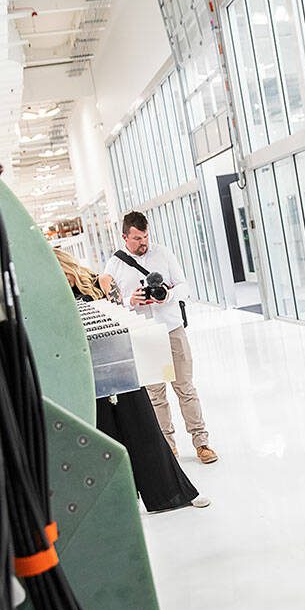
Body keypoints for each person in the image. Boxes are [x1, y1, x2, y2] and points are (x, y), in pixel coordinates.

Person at [54, 247, 210, 512]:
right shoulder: (53, 297)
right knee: (105, 437)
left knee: (144, 427)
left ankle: (172, 493)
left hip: (120, 366)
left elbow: (120, 317)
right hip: (86, 374)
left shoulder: (100, 282)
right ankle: (118, 502)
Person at [100, 211, 218, 464]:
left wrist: (168, 295)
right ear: (124, 237)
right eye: (137, 239)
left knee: (185, 388)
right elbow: (112, 301)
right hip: (144, 335)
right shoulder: (115, 264)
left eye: (145, 237)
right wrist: (130, 300)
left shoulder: (163, 253)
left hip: (172, 329)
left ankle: (202, 442)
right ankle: (168, 447)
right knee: (156, 394)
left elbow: (184, 286)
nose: (143, 243)